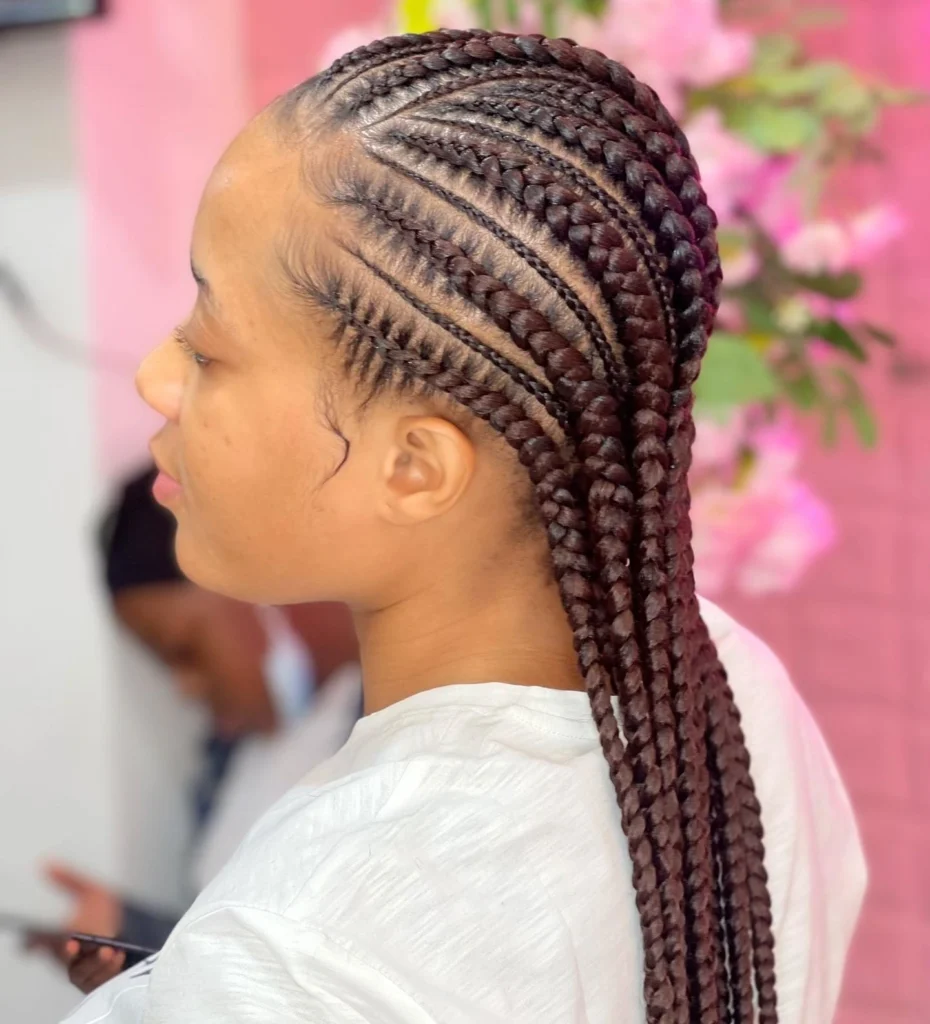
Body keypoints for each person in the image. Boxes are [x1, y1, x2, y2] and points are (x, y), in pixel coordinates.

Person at [62, 30, 867, 1024]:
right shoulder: (724, 690)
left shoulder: (302, 948)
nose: (155, 377)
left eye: (210, 346)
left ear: (415, 466)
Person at [46, 465, 360, 993]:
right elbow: (232, 957)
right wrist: (132, 938)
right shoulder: (227, 761)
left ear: (253, 585)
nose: (186, 687)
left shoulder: (405, 726)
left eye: (185, 650)